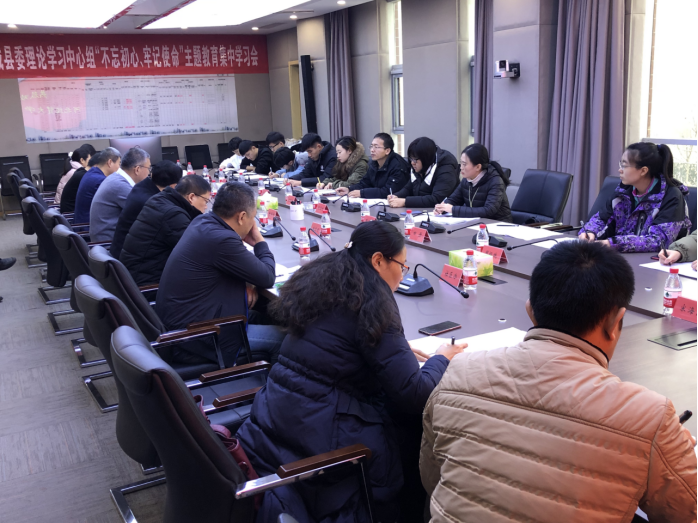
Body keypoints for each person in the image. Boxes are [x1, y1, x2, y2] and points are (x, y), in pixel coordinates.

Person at [421, 241, 698, 523]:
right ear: (616, 321)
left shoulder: (458, 372)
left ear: (530, 310)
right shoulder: (648, 417)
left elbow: (433, 478)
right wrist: (671, 452)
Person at [237, 221, 465, 523]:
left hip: (278, 418)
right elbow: (415, 393)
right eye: (402, 266)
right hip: (324, 437)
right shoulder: (374, 301)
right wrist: (442, 358)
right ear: (378, 260)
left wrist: (392, 350)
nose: (403, 275)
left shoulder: (328, 278)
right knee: (413, 427)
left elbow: (340, 342)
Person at [155, 182, 285, 367]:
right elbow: (267, 277)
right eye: (253, 217)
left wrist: (248, 281)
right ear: (241, 217)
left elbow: (240, 267)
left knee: (264, 315)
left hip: (185, 321)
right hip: (198, 337)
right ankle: (270, 385)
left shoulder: (203, 222)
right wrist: (259, 241)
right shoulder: (222, 239)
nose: (253, 224)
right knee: (285, 338)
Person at [579, 142, 691, 252]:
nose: (620, 170)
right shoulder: (622, 191)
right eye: (620, 164)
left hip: (657, 260)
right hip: (621, 256)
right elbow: (602, 218)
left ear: (643, 170)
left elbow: (658, 241)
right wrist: (589, 232)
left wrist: (612, 243)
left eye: (624, 165)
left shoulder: (671, 196)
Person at [120, 175, 210, 286]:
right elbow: (197, 253)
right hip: (148, 284)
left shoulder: (160, 199)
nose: (206, 207)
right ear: (191, 197)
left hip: (134, 274)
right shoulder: (173, 215)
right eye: (206, 201)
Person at [110, 160, 184, 260]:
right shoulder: (152, 203)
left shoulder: (142, 186)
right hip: (130, 259)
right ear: (173, 186)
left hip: (123, 251)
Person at [434, 143, 512, 221]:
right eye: (461, 163)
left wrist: (453, 209)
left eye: (464, 164)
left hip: (497, 224)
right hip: (475, 222)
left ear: (478, 167)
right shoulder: (466, 179)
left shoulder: (495, 181)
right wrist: (443, 207)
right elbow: (454, 199)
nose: (461, 167)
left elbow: (488, 210)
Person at [89, 147, 150, 243]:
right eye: (149, 168)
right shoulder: (120, 185)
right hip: (108, 243)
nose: (149, 172)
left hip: (107, 239)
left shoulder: (116, 178)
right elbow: (146, 212)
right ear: (137, 169)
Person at [388, 137, 459, 208]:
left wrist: (405, 202)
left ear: (426, 159)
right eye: (411, 159)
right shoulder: (419, 167)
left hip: (442, 212)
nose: (412, 163)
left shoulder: (446, 170)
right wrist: (396, 196)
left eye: (415, 159)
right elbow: (409, 188)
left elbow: (436, 199)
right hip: (423, 210)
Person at [335, 133, 410, 199]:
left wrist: (362, 193)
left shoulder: (398, 166)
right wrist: (349, 189)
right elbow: (364, 183)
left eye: (376, 147)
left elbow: (388, 192)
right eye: (371, 146)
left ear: (387, 151)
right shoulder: (374, 163)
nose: (372, 150)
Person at [73, 147, 121, 225]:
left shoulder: (92, 172)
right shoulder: (100, 180)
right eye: (119, 164)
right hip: (88, 227)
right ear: (110, 162)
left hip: (83, 222)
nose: (119, 168)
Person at [58, 145, 92, 214]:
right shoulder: (77, 173)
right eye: (90, 160)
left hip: (63, 209)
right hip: (68, 213)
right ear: (82, 160)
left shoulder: (72, 169)